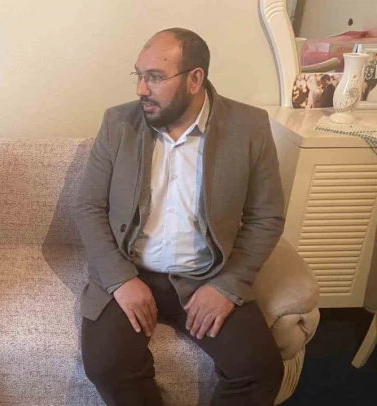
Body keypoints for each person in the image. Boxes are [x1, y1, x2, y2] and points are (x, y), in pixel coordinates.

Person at [75, 28, 285, 406]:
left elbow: (265, 217)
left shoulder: (248, 127)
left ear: (195, 79)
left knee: (260, 369)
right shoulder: (118, 123)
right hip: (132, 269)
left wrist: (227, 285)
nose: (141, 89)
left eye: (155, 77)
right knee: (107, 365)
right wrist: (121, 279)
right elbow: (88, 206)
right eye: (139, 75)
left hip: (207, 274)